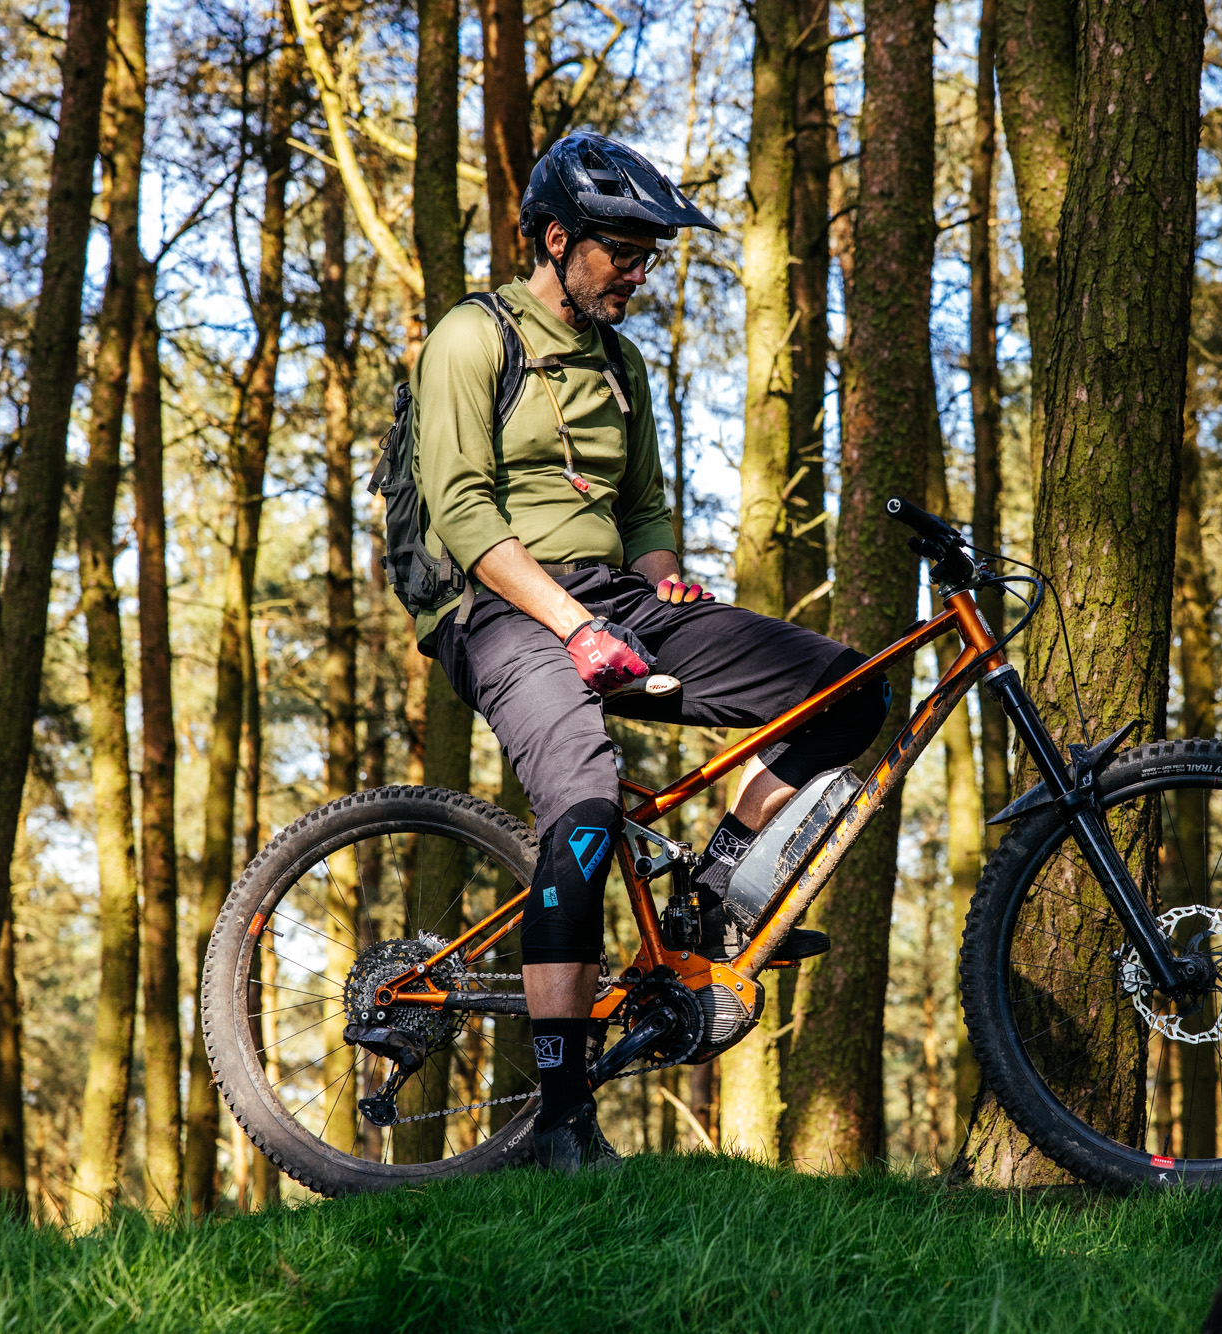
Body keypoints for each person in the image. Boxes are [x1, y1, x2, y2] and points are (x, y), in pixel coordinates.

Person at [407, 133, 888, 1172]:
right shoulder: (472, 336)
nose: (638, 272)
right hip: (498, 606)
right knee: (585, 812)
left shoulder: (620, 363)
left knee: (851, 691)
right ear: (555, 239)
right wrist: (572, 626)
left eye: (647, 255)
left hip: (615, 599)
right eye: (621, 251)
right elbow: (460, 510)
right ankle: (561, 1117)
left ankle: (709, 887)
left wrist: (663, 577)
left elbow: (645, 510)